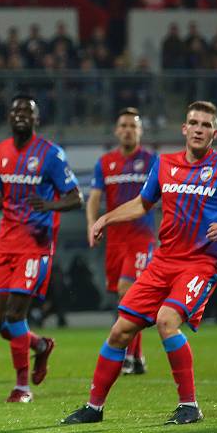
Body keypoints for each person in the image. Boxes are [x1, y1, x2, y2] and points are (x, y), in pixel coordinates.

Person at [62, 101, 217, 426]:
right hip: (163, 261)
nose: (198, 129)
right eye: (193, 122)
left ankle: (190, 405)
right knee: (119, 331)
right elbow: (142, 204)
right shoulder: (164, 164)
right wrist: (105, 219)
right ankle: (93, 408)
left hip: (200, 263)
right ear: (184, 129)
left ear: (214, 133)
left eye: (205, 125)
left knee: (167, 320)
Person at [0, 95, 83, 403]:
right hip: (6, 241)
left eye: (28, 111)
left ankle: (22, 387)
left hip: (35, 245)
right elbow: (9, 194)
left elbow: (75, 197)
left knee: (15, 313)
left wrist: (49, 205)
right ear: (9, 118)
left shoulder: (51, 154)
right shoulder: (1, 152)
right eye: (16, 111)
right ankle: (39, 345)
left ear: (37, 119)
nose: (21, 115)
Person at [86, 108, 156, 374]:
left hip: (141, 238)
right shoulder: (105, 163)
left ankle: (126, 356)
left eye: (132, 126)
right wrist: (92, 225)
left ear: (140, 131)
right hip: (115, 241)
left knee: (129, 293)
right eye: (123, 125)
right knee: (121, 297)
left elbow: (162, 201)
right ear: (117, 130)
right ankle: (137, 357)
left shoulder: (152, 161)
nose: (128, 129)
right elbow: (94, 197)